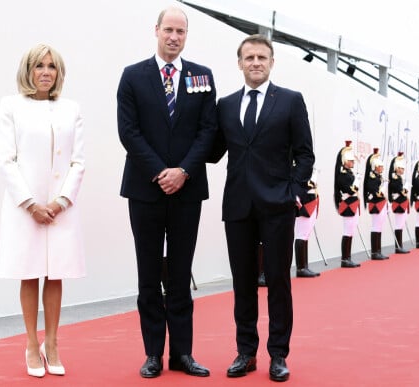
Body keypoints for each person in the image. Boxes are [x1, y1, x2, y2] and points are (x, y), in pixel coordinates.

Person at [117, 6, 216, 379]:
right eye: (168, 30)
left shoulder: (202, 77)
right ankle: (153, 354)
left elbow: (208, 130)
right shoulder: (133, 77)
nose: (174, 37)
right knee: (148, 274)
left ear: (186, 35)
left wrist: (184, 171)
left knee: (180, 274)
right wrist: (161, 172)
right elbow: (129, 132)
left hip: (188, 192)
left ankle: (182, 354)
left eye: (181, 31)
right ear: (156, 31)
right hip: (145, 190)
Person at [210, 34, 314, 382]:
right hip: (238, 204)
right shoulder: (224, 105)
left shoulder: (289, 101)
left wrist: (295, 192)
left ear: (271, 63)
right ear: (239, 63)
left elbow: (305, 153)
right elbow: (212, 150)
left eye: (262, 57)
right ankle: (246, 352)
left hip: (278, 205)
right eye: (249, 57)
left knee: (279, 282)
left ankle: (279, 355)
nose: (256, 62)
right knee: (242, 283)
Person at [0, 44, 86, 378]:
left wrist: (61, 201)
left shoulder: (71, 108)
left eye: (51, 66)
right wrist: (31, 204)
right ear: (28, 70)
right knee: (29, 272)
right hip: (26, 207)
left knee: (55, 273)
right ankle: (31, 345)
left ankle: (53, 342)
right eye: (39, 66)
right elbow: (6, 160)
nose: (45, 72)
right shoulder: (11, 106)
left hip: (60, 207)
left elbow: (79, 160)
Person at [334, 141, 361, 268]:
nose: (353, 162)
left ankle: (348, 257)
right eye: (351, 161)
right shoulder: (342, 175)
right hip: (348, 203)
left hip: (352, 203)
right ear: (345, 161)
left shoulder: (349, 173)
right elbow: (350, 190)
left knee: (351, 231)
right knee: (347, 231)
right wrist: (358, 182)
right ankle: (345, 259)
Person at [294, 168, 321, 277]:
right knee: (301, 235)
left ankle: (304, 266)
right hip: (304, 203)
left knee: (305, 235)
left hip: (311, 201)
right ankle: (300, 268)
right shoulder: (296, 169)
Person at [363, 148, 389, 260]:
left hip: (381, 203)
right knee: (376, 227)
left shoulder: (378, 176)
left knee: (379, 227)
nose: (382, 168)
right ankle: (375, 252)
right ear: (375, 167)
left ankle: (378, 250)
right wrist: (383, 188)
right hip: (376, 203)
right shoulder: (372, 177)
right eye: (380, 166)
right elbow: (375, 192)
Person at [388, 152, 410, 254]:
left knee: (400, 224)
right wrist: (406, 187)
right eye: (401, 168)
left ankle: (399, 245)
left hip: (401, 202)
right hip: (399, 203)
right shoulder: (395, 179)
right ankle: (398, 246)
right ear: (396, 168)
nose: (403, 170)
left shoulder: (398, 178)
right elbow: (403, 192)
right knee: (398, 225)